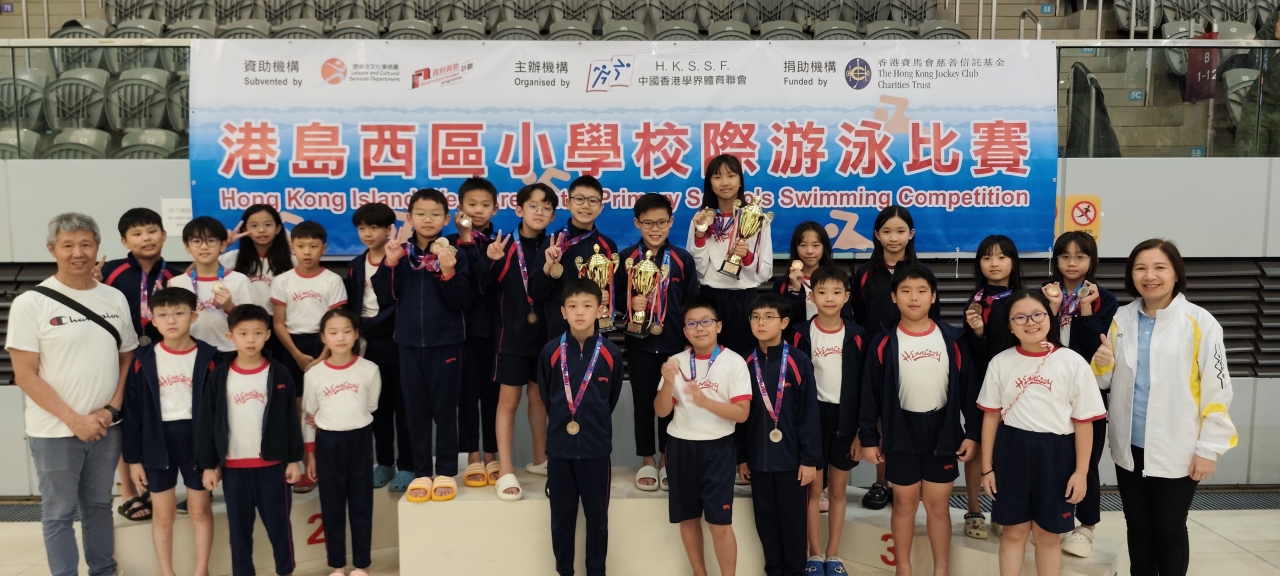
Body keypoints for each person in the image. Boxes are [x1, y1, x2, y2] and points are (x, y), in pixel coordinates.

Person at [1091, 239, 1236, 576]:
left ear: (1176, 274)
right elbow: (1104, 380)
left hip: (1178, 446)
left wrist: (1209, 449)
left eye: (1159, 268)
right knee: (1138, 525)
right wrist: (1100, 362)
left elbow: (1217, 390)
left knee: (1169, 527)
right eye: (1141, 268)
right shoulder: (1122, 318)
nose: (1149, 276)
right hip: (1130, 446)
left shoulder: (1200, 322)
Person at [6, 213, 138, 576]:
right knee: (59, 513)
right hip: (54, 432)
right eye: (68, 245)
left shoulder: (113, 298)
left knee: (99, 506)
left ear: (97, 248)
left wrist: (111, 410)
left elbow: (126, 358)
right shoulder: (31, 303)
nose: (78, 253)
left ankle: (103, 570)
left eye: (85, 244)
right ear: (52, 250)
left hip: (106, 428)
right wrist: (74, 420)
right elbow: (25, 375)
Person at [859, 265, 979, 576]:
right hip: (901, 434)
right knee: (904, 503)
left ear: (933, 297)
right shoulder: (883, 342)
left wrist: (972, 433)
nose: (914, 297)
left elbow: (969, 390)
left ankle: (941, 570)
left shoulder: (952, 339)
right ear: (894, 297)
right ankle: (904, 568)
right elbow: (869, 394)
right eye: (906, 291)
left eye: (922, 291)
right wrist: (869, 437)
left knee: (938, 505)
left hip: (943, 432)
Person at [977, 290, 1106, 576]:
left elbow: (1084, 423)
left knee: (1048, 536)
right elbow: (991, 417)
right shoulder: (1000, 362)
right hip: (1012, 452)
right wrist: (987, 468)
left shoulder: (1072, 362)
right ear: (1010, 325)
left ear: (1050, 317)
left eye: (1037, 314)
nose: (1030, 322)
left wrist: (1081, 472)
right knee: (1013, 532)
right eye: (1020, 317)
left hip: (1057, 455)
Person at [196, 304, 304, 576]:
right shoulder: (220, 375)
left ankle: (285, 571)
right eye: (243, 333)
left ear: (268, 334)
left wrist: (294, 459)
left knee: (279, 527)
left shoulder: (279, 373)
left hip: (272, 466)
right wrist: (208, 465)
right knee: (239, 531)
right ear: (230, 336)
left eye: (257, 332)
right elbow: (207, 421)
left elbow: (291, 419)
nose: (251, 339)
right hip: (234, 468)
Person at [122, 288, 219, 576]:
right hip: (157, 440)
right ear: (153, 321)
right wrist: (133, 460)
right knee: (163, 514)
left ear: (194, 316)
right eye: (163, 315)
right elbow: (132, 413)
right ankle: (167, 572)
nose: (171, 320)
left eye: (179, 313)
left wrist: (214, 458)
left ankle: (202, 570)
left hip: (197, 440)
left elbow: (218, 412)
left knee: (199, 509)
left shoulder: (210, 356)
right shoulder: (143, 359)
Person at [382, 188, 471, 503]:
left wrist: (448, 273)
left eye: (435, 214)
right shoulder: (400, 254)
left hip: (446, 344)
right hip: (408, 344)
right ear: (409, 218)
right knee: (415, 412)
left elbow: (461, 301)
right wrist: (390, 264)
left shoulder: (455, 254)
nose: (428, 219)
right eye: (421, 213)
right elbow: (385, 297)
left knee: (445, 411)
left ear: (447, 219)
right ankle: (421, 472)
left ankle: (445, 470)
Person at [850, 206, 940, 510]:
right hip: (877, 356)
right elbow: (858, 316)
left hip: (917, 355)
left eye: (900, 231)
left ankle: (914, 480)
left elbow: (935, 317)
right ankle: (881, 481)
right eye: (887, 231)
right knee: (879, 416)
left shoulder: (922, 273)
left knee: (914, 413)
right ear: (876, 235)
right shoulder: (863, 274)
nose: (893, 237)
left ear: (911, 234)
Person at [656, 295, 750, 576]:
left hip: (718, 449)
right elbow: (661, 411)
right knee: (687, 518)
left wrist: (703, 400)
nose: (699, 328)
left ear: (718, 326)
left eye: (706, 322)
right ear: (685, 331)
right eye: (692, 324)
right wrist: (668, 383)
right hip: (681, 447)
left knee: (719, 523)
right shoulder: (676, 361)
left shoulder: (734, 362)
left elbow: (741, 413)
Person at [536, 280, 625, 576]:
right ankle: (565, 571)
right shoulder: (550, 352)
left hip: (595, 452)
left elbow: (610, 398)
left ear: (600, 310)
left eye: (587, 306)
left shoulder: (611, 353)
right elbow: (548, 397)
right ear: (563, 312)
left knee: (597, 521)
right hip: (560, 451)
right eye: (572, 306)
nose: (579, 312)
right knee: (561, 520)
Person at [98, 207, 182, 520]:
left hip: (162, 358)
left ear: (164, 234)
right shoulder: (110, 272)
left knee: (155, 420)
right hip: (121, 357)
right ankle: (128, 493)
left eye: (151, 230)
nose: (146, 238)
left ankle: (154, 487)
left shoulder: (176, 276)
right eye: (137, 233)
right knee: (124, 422)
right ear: (124, 241)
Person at [616, 192, 700, 491]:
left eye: (661, 222)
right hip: (638, 343)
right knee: (643, 403)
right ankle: (647, 459)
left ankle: (666, 459)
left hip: (674, 345)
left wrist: (691, 342)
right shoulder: (626, 258)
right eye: (648, 223)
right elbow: (613, 298)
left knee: (672, 403)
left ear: (671, 222)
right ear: (637, 223)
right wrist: (630, 304)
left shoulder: (682, 259)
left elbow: (692, 303)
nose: (655, 229)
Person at [1042, 231, 1118, 557]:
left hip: (1089, 391)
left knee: (1086, 460)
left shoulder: (1105, 299)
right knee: (1050, 456)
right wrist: (1051, 309)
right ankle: (1051, 518)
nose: (1072, 263)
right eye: (1065, 256)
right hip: (1047, 389)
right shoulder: (1043, 293)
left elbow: (1095, 346)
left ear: (1092, 261)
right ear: (1056, 260)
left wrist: (1086, 308)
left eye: (1080, 256)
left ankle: (1086, 527)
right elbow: (1035, 339)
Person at [788, 266, 867, 576]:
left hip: (846, 421)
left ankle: (833, 554)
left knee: (837, 490)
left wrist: (861, 433)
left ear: (847, 297)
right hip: (812, 420)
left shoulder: (858, 335)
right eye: (822, 292)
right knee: (813, 490)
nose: (829, 298)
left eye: (836, 292)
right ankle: (814, 554)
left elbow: (866, 388)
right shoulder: (799, 333)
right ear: (812, 296)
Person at [485, 183, 558, 500]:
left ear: (553, 215)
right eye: (533, 205)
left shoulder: (554, 246)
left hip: (545, 338)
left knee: (539, 397)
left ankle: (540, 459)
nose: (539, 211)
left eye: (546, 207)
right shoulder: (502, 246)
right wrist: (490, 261)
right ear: (519, 210)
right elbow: (479, 286)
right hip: (512, 338)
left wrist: (550, 267)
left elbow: (542, 291)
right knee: (509, 401)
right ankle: (505, 470)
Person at [739, 293, 820, 576]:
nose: (761, 323)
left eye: (768, 317)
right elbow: (741, 418)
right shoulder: (744, 363)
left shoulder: (798, 361)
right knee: (766, 523)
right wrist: (742, 457)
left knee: (793, 524)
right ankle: (773, 570)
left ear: (784, 322)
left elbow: (809, 413)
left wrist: (809, 459)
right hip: (758, 462)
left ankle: (795, 571)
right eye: (755, 317)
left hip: (792, 463)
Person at [302, 308, 381, 576]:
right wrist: (311, 454)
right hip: (327, 442)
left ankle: (362, 565)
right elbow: (308, 416)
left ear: (356, 334)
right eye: (333, 332)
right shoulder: (314, 375)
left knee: (361, 503)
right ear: (323, 337)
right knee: (331, 505)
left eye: (347, 331)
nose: (340, 337)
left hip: (360, 440)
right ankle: (337, 565)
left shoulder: (369, 369)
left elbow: (371, 406)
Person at [270, 221, 347, 493]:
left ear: (323, 248)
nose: (307, 251)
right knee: (302, 411)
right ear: (292, 247)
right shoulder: (282, 281)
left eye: (313, 246)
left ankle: (331, 467)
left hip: (326, 345)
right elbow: (278, 323)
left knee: (328, 406)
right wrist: (297, 355)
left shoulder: (332, 280)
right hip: (292, 347)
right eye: (301, 246)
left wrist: (322, 356)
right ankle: (306, 468)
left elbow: (335, 322)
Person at [345, 202, 413, 492]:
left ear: (389, 230)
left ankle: (408, 465)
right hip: (368, 346)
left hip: (398, 341)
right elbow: (352, 306)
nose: (368, 234)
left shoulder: (403, 259)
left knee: (405, 407)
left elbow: (403, 303)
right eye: (362, 228)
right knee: (378, 408)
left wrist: (368, 325)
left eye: (374, 227)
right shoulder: (355, 266)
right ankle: (384, 462)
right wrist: (357, 330)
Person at [959, 234, 1024, 540]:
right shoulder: (976, 302)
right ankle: (973, 509)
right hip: (980, 385)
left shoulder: (1023, 301)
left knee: (1010, 449)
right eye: (986, 258)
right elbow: (969, 353)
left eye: (1001, 257)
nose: (993, 263)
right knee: (977, 446)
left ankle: (1004, 510)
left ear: (1013, 262)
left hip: (1017, 386)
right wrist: (977, 332)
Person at [687, 154, 773, 358]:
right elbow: (697, 270)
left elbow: (766, 272)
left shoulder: (757, 218)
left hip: (744, 301)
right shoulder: (701, 219)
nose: (725, 182)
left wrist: (747, 257)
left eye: (731, 176)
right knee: (708, 363)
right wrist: (700, 236)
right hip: (710, 300)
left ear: (740, 181)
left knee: (743, 363)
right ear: (710, 184)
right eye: (717, 177)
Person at [448, 177, 503, 488]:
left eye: (485, 205)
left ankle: (492, 453)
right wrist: (467, 239)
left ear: (495, 208)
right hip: (462, 333)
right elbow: (466, 286)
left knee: (493, 397)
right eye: (472, 204)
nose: (478, 210)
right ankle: (471, 455)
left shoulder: (502, 243)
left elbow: (491, 284)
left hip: (496, 331)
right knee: (466, 396)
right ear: (460, 207)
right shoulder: (448, 243)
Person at [541, 175, 619, 346]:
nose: (585, 205)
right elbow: (536, 292)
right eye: (579, 199)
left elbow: (618, 290)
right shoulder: (553, 243)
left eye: (592, 200)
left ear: (601, 207)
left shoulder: (608, 247)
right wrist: (548, 268)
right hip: (559, 334)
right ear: (568, 203)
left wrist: (608, 296)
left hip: (597, 334)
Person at [168, 216, 254, 360]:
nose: (204, 247)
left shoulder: (240, 280)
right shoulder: (176, 283)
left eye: (211, 241)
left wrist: (229, 307)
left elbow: (250, 322)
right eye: (196, 241)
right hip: (190, 352)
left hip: (230, 350)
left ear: (223, 245)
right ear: (187, 246)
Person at [220, 204, 295, 362]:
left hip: (278, 327)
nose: (261, 230)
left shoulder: (291, 261)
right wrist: (223, 246)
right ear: (244, 230)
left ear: (278, 229)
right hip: (243, 326)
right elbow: (197, 271)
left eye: (267, 225)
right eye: (254, 226)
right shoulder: (233, 258)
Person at [773, 222, 845, 327]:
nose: (809, 251)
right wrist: (795, 292)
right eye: (803, 245)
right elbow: (780, 321)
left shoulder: (837, 280)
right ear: (796, 248)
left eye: (816, 245)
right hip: (797, 337)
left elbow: (846, 317)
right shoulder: (782, 284)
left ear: (824, 248)